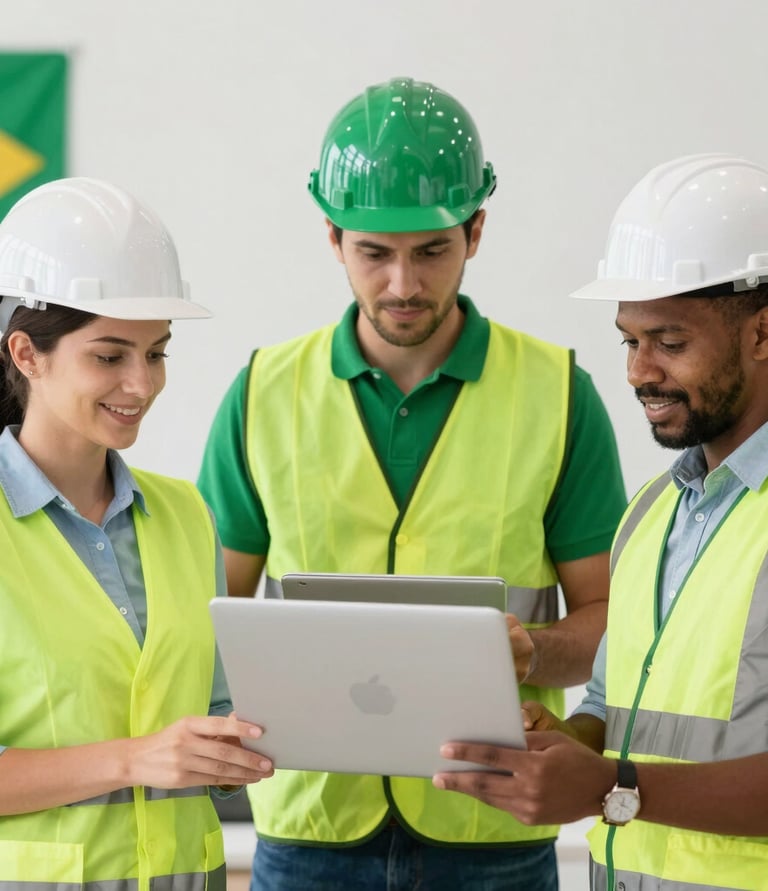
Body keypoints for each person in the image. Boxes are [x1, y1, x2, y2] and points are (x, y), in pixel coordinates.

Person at [198, 77, 626, 891]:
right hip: (308, 831)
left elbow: (613, 625)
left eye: (431, 250)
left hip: (493, 827)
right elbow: (203, 618)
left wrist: (535, 647)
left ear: (476, 230)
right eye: (374, 251)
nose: (402, 284)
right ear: (332, 236)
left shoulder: (559, 393)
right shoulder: (261, 394)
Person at [433, 153, 768, 891]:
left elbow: (624, 777)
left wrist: (610, 787)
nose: (638, 371)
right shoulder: (652, 512)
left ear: (762, 333)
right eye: (629, 339)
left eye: (670, 342)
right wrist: (564, 745)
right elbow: (611, 703)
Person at [0, 177, 274, 890]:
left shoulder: (186, 516)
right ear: (27, 353)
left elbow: (215, 718)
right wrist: (133, 758)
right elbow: (151, 752)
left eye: (156, 353)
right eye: (110, 354)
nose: (142, 384)